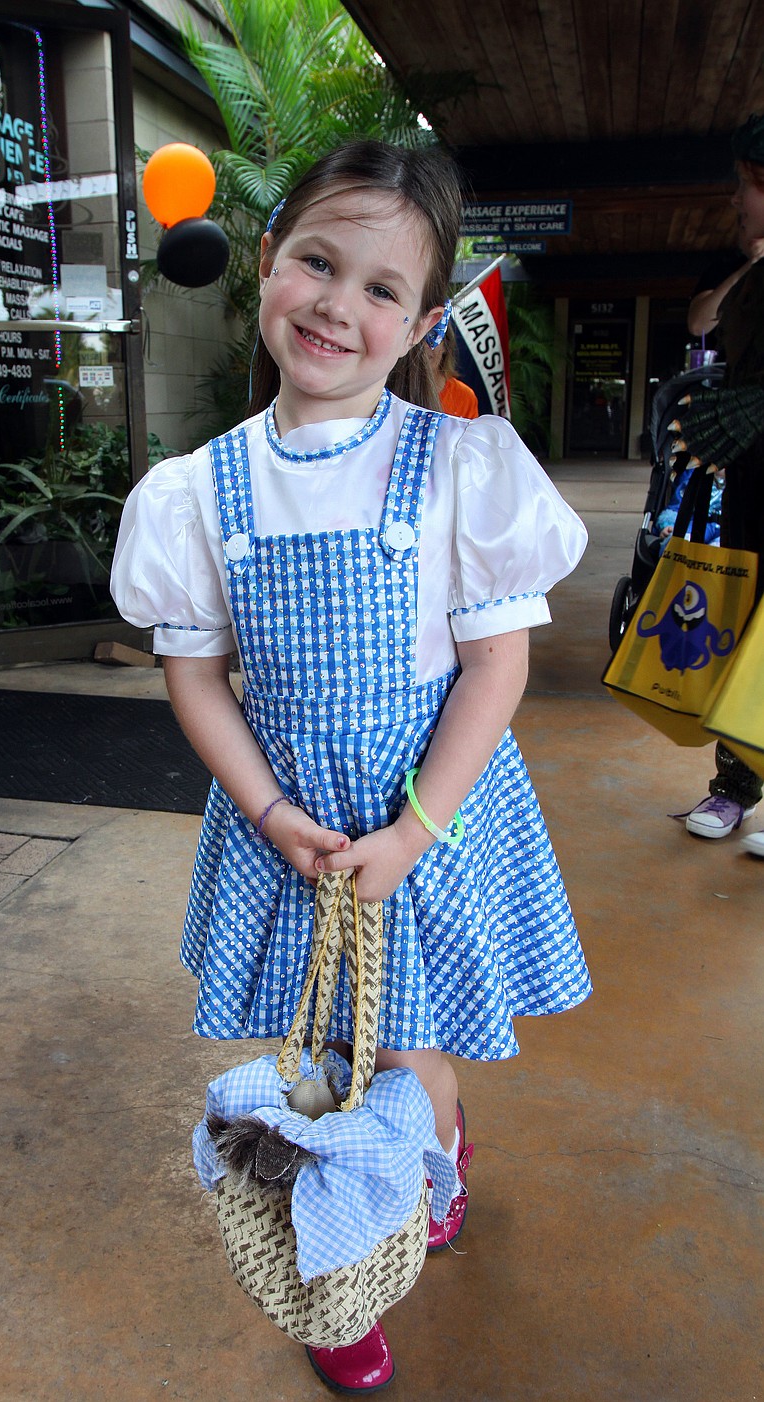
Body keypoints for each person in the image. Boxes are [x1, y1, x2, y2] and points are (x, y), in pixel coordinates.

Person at [111, 139, 591, 1393]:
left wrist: (415, 830)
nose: (339, 304)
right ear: (266, 265)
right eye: (317, 262)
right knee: (321, 1053)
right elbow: (196, 674)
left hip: (424, 816)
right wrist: (270, 812)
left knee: (403, 1051)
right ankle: (344, 1278)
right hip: (286, 830)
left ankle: (424, 1157)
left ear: (421, 320)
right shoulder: (197, 490)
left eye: (383, 288)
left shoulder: (454, 465)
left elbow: (495, 671)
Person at [676, 115, 764, 845]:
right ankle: (736, 786)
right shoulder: (748, 277)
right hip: (751, 488)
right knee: (741, 627)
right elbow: (702, 320)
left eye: (745, 186)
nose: (736, 200)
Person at [428, 321, 479, 417]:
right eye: (419, 339)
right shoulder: (395, 388)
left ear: (445, 346)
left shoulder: (464, 397)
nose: (425, 346)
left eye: (433, 337)